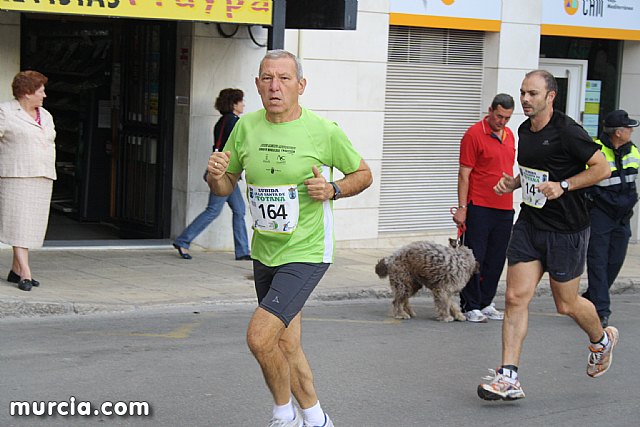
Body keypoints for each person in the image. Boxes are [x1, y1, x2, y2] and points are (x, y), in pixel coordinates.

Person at [208, 50, 372, 427]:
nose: (274, 86)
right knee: (286, 342)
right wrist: (216, 173)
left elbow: (362, 174)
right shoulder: (245, 127)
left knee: (259, 337)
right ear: (257, 85)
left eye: (283, 78)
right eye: (267, 78)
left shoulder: (323, 130)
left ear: (301, 85)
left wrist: (332, 189)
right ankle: (315, 419)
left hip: (307, 251)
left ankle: (284, 415)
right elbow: (224, 186)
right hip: (264, 249)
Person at [477, 70, 617, 401]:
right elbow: (534, 172)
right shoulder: (524, 130)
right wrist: (513, 183)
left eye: (533, 94)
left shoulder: (569, 132)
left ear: (550, 97)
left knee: (566, 304)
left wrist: (564, 185)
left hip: (567, 229)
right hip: (531, 224)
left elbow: (602, 169)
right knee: (514, 297)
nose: (525, 99)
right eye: (523, 92)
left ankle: (601, 340)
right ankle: (508, 377)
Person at [454, 93, 516, 323]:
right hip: (479, 205)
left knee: (496, 258)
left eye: (507, 118)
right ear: (490, 110)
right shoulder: (473, 134)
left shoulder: (510, 135)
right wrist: (462, 208)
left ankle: (486, 302)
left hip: (504, 207)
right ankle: (470, 305)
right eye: (499, 116)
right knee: (474, 258)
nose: (502, 121)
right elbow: (464, 174)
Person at [172, 88, 251, 261]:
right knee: (213, 210)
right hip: (224, 174)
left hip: (224, 173)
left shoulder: (222, 121)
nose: (243, 104)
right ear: (234, 103)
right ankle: (183, 240)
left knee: (239, 210)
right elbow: (237, 148)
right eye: (241, 101)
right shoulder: (234, 122)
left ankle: (243, 250)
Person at [0, 71, 56, 292]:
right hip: (17, 175)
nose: (44, 95)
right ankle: (25, 272)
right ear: (26, 93)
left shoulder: (46, 115)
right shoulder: (5, 112)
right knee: (18, 223)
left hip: (42, 175)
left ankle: (15, 270)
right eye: (40, 91)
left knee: (31, 225)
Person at [583, 110, 639, 328]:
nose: (632, 131)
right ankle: (601, 310)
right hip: (600, 214)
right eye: (629, 128)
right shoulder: (594, 150)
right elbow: (587, 182)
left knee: (614, 261)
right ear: (618, 132)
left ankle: (591, 297)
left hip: (623, 216)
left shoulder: (632, 150)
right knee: (597, 262)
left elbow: (632, 182)